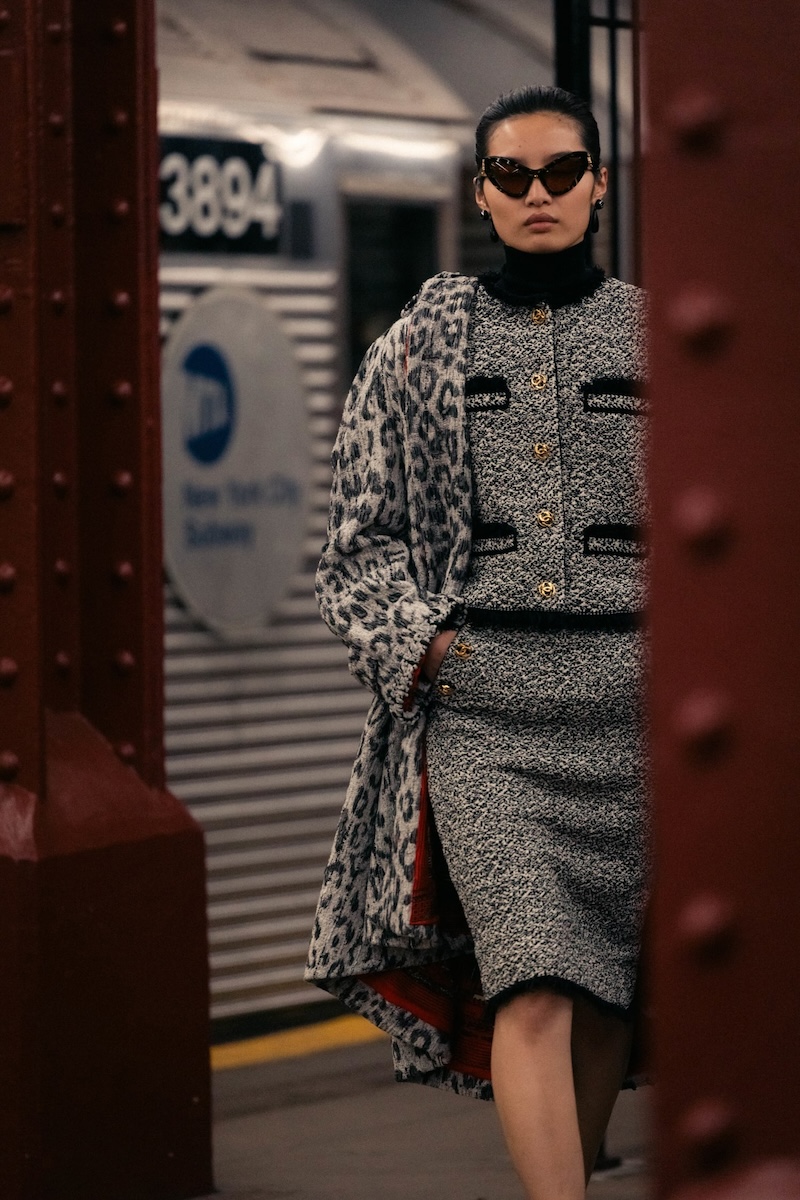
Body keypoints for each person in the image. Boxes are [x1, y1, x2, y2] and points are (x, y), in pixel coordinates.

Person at [306, 85, 648, 1200]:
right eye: (511, 174)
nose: (537, 192)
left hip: (634, 717)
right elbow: (355, 545)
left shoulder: (663, 338)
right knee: (532, 986)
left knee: (605, 994)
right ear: (481, 194)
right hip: (487, 728)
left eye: (562, 171)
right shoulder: (414, 350)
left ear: (598, 184)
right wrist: (430, 651)